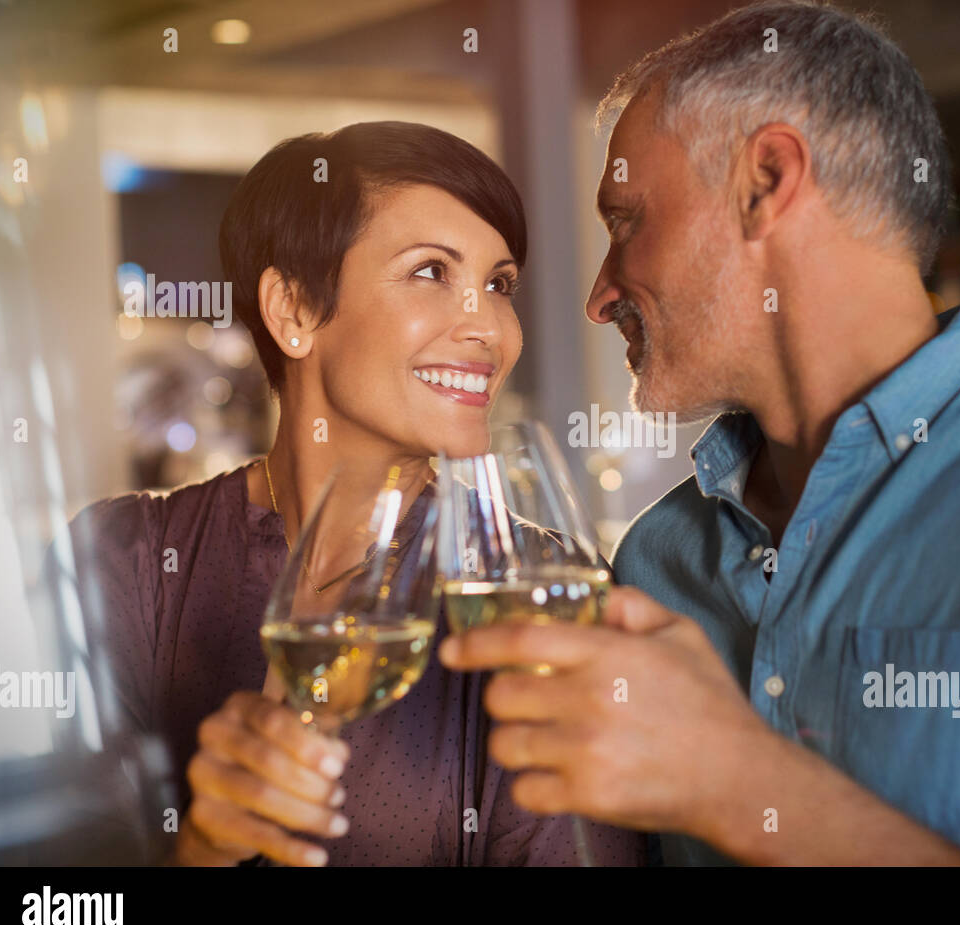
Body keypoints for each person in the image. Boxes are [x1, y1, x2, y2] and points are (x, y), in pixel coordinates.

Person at [439, 1, 960, 865]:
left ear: (766, 180)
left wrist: (741, 783)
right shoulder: (657, 561)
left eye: (625, 221)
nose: (600, 294)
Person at [63, 121, 645, 866]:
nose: (490, 329)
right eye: (432, 271)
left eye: (498, 285)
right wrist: (203, 849)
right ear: (294, 311)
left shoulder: (536, 593)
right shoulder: (127, 563)